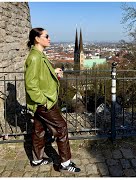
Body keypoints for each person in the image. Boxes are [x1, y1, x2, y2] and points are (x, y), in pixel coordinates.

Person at [24, 27, 81, 173]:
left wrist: (54, 73)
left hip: (42, 101)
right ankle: (65, 163)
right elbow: (31, 84)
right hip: (45, 102)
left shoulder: (39, 55)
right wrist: (43, 101)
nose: (49, 38)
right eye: (46, 36)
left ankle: (37, 159)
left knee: (39, 130)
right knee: (61, 127)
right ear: (37, 38)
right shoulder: (35, 57)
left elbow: (40, 75)